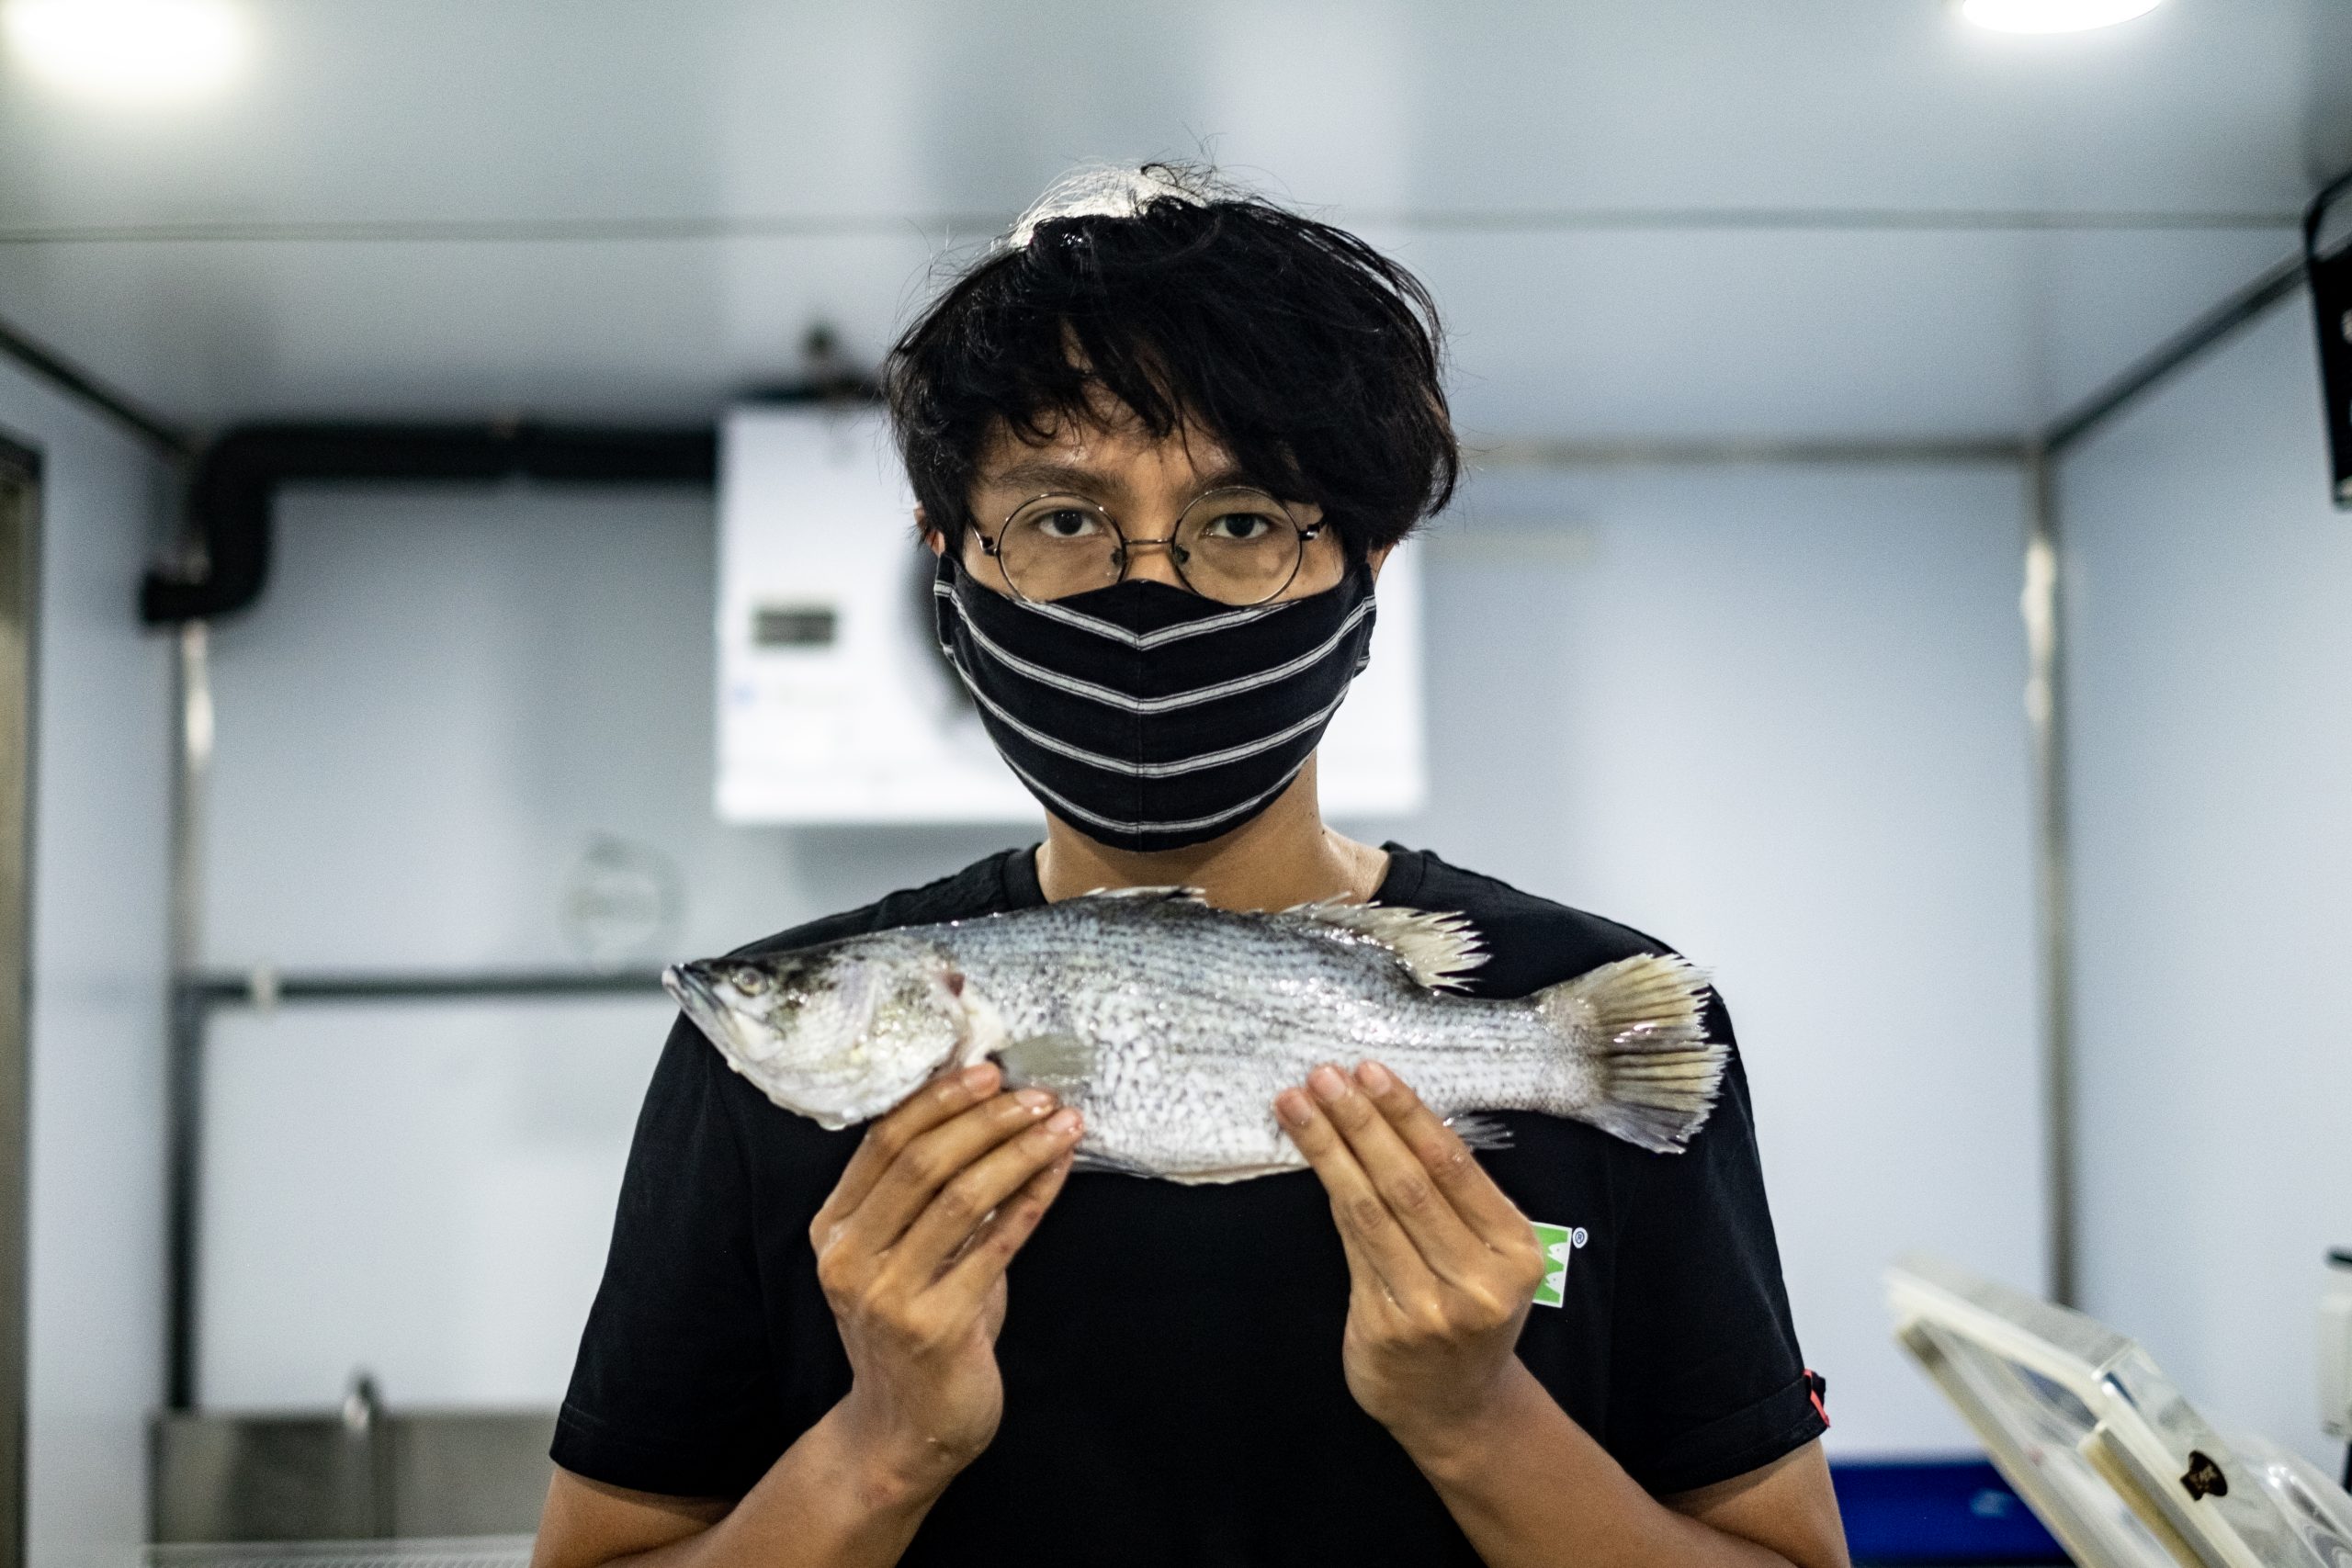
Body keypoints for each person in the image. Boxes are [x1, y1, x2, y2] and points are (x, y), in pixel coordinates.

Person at [532, 165, 1849, 1568]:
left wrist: (1476, 1419)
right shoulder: (768, 1075)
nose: (1144, 592)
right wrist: (882, 1444)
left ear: (1364, 562)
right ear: (951, 562)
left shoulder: (1593, 1004)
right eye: (1060, 521)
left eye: (1239, 525)